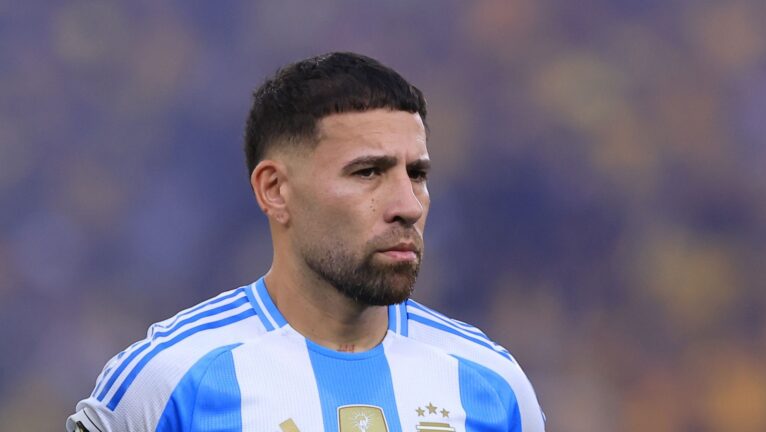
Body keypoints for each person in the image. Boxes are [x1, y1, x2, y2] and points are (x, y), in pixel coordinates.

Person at [67, 52, 545, 432]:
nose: (408, 205)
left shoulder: (491, 383)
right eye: (368, 172)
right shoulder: (168, 381)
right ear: (275, 190)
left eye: (416, 174)